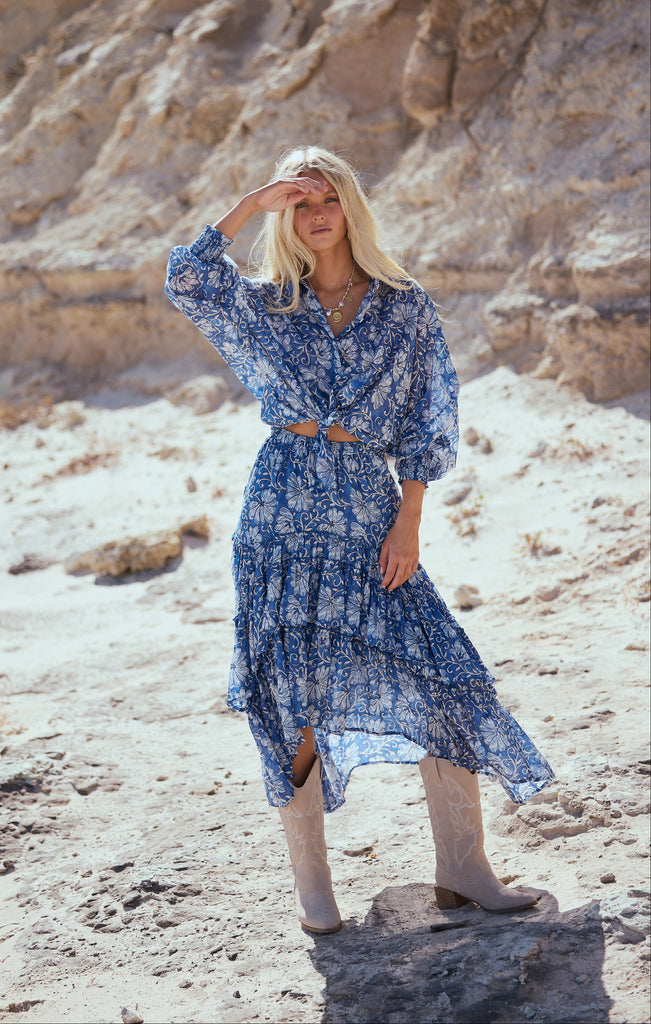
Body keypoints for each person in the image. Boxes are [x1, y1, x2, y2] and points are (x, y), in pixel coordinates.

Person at [165, 146, 554, 935]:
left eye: (326, 199)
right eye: (299, 203)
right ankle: (312, 884)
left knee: (442, 675)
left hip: (367, 506)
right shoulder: (269, 302)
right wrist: (250, 201)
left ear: (350, 209)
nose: (313, 214)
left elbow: (425, 418)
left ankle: (462, 869)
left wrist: (409, 516)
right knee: (294, 698)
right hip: (279, 510)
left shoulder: (404, 305)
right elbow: (188, 280)